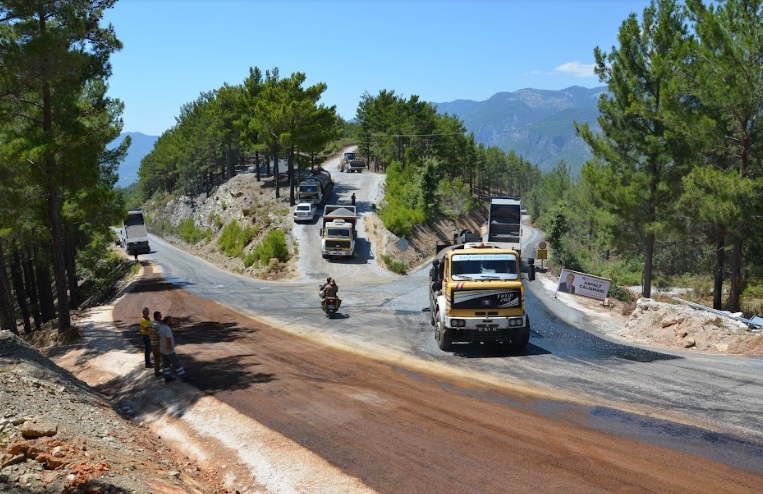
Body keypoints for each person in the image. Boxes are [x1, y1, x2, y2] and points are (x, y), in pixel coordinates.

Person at [158, 315, 190, 383]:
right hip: (168, 351)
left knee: (166, 364)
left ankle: (167, 377)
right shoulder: (167, 329)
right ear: (168, 321)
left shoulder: (161, 327)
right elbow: (168, 339)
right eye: (171, 320)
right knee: (177, 364)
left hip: (162, 349)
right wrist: (169, 347)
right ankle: (184, 377)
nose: (172, 321)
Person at [149, 310, 163, 378]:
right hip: (158, 344)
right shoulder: (157, 325)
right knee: (164, 358)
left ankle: (156, 372)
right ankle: (167, 373)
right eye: (160, 315)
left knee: (156, 358)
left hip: (152, 343)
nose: (161, 317)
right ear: (157, 316)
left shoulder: (151, 324)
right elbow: (161, 335)